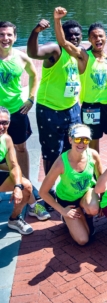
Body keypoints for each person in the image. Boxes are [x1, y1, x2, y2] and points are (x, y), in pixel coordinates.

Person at [53, 7, 107, 152]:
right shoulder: (84, 55)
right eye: (94, 37)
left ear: (106, 37)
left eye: (101, 36)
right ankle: (96, 174)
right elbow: (64, 43)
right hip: (90, 107)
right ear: (89, 39)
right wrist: (57, 19)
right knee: (92, 146)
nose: (98, 39)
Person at [26, 17, 83, 177]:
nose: (74, 38)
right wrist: (36, 32)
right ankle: (49, 190)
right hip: (50, 109)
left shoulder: (78, 53)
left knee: (74, 147)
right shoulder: (55, 49)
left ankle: (68, 186)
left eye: (77, 35)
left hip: (72, 108)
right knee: (52, 152)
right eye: (69, 35)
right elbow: (33, 53)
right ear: (61, 36)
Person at [39, 124, 103, 245]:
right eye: (78, 139)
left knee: (94, 208)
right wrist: (62, 211)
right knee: (83, 240)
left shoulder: (93, 154)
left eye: (86, 140)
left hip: (86, 194)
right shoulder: (60, 162)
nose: (81, 143)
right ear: (70, 139)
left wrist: (104, 201)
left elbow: (101, 179)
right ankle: (68, 218)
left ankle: (87, 217)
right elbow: (43, 192)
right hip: (68, 201)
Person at [0, 21, 38, 181]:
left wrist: (30, 98)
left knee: (21, 148)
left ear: (15, 37)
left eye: (9, 34)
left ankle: (25, 184)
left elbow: (34, 75)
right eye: (1, 34)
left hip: (16, 111)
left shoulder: (21, 57)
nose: (5, 38)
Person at [0, 107, 46, 234]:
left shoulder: (6, 139)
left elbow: (14, 166)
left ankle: (14, 219)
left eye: (5, 123)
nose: (1, 127)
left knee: (26, 186)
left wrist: (17, 187)